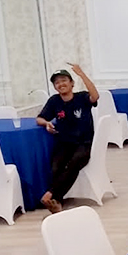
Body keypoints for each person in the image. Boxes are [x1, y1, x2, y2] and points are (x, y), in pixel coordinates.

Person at [36, 64, 99, 214]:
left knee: (74, 163)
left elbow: (95, 96)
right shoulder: (54, 101)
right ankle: (57, 201)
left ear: (72, 83)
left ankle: (52, 194)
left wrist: (81, 74)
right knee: (56, 166)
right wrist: (46, 123)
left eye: (64, 80)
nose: (61, 84)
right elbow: (39, 118)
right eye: (57, 82)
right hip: (64, 142)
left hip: (84, 143)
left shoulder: (82, 97)